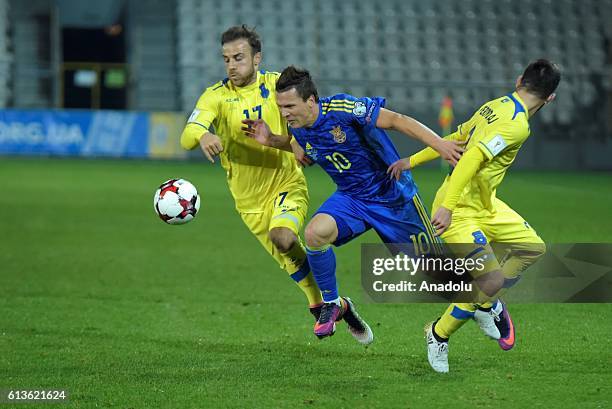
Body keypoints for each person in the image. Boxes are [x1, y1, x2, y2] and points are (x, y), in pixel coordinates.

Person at [243, 66, 464, 342]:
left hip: (393, 197)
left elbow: (397, 120)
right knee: (314, 234)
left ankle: (491, 307)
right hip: (352, 198)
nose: (284, 113)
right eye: (280, 106)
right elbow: (305, 153)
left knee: (444, 281)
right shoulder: (298, 128)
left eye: (289, 106)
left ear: (311, 101)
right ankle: (335, 303)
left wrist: (440, 145)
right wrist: (272, 141)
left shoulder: (344, 108)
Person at [396, 59, 561, 373]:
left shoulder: (495, 105)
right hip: (457, 209)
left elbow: (456, 137)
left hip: (487, 205)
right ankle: (438, 333)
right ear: (550, 97)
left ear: (518, 81)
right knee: (490, 278)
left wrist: (412, 161)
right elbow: (470, 157)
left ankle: (486, 303)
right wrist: (447, 206)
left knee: (532, 248)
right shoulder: (517, 125)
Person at [180, 26, 331, 331]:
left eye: (239, 57)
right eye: (226, 59)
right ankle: (325, 303)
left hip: (286, 182)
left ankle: (326, 299)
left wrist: (301, 141)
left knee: (284, 236)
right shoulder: (216, 96)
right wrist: (204, 133)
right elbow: (186, 136)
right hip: (248, 200)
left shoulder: (276, 85)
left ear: (257, 58)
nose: (232, 65)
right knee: (286, 255)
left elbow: (310, 113)